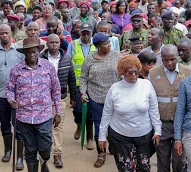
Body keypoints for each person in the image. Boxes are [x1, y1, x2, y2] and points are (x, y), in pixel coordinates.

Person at [7, 37, 62, 172]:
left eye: (34, 51)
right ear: (24, 53)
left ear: (38, 51)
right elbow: (9, 89)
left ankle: (44, 161)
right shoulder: (16, 70)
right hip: (24, 117)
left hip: (44, 115)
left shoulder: (47, 66)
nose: (32, 54)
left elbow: (56, 89)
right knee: (30, 149)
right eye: (28, 52)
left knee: (45, 147)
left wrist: (58, 112)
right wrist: (11, 99)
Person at [98, 55, 162, 172]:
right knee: (125, 168)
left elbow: (153, 109)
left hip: (143, 135)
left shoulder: (146, 85)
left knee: (143, 168)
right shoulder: (114, 89)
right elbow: (107, 113)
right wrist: (102, 136)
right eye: (129, 72)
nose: (133, 75)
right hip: (119, 135)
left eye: (136, 72)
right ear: (122, 73)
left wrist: (157, 130)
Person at [0, 24, 25, 169]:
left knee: (19, 126)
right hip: (0, 94)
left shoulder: (19, 51)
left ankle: (20, 156)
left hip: (18, 95)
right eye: (1, 33)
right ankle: (8, 151)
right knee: (5, 125)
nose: (4, 35)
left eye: (6, 33)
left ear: (11, 33)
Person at [149, 44, 191, 172]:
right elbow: (150, 101)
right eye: (165, 59)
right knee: (162, 160)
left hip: (182, 125)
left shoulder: (189, 72)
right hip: (162, 125)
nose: (169, 63)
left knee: (180, 160)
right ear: (160, 58)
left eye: (172, 59)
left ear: (178, 56)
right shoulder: (153, 73)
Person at [80, 32, 120, 168]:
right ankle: (101, 153)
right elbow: (83, 77)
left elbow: (122, 73)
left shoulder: (116, 55)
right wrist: (83, 92)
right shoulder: (89, 59)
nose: (109, 45)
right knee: (99, 126)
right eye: (106, 44)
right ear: (98, 46)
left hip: (115, 97)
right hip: (95, 97)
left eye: (109, 42)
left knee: (115, 125)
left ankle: (113, 145)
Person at [39, 34, 76, 168]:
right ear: (46, 44)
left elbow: (71, 79)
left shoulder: (66, 59)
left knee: (58, 127)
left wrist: (73, 97)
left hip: (60, 98)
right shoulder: (40, 59)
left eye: (56, 42)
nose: (54, 44)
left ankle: (57, 154)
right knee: (44, 127)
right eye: (51, 42)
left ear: (60, 44)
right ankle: (44, 152)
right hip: (43, 99)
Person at [66, 23, 96, 150]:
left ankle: (90, 138)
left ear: (91, 33)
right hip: (77, 84)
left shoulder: (96, 45)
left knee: (89, 112)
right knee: (77, 109)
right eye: (83, 32)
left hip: (93, 84)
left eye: (88, 33)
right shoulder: (72, 44)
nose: (85, 35)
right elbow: (68, 62)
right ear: (80, 33)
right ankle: (79, 124)